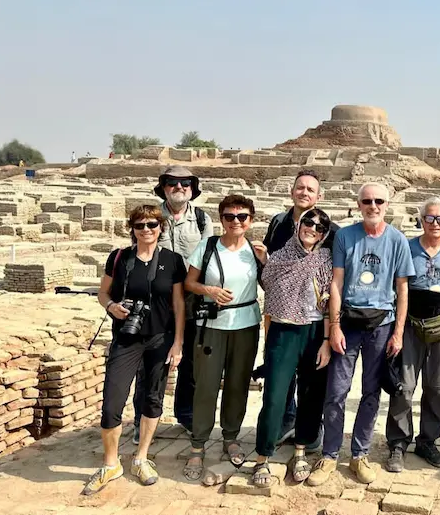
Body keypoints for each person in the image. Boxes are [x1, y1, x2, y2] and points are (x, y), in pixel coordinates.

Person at [308, 182, 414, 486]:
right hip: (350, 323)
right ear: (358, 204)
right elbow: (337, 283)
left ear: (387, 204)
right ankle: (329, 454)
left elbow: (402, 287)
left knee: (371, 393)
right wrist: (334, 326)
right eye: (367, 201)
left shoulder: (397, 240)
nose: (373, 206)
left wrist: (398, 332)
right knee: (336, 392)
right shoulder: (346, 236)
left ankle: (359, 454)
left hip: (381, 325)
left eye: (379, 201)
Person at [84, 205, 186, 494]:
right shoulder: (119, 258)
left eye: (152, 224)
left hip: (160, 338)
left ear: (160, 228)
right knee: (112, 402)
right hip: (126, 338)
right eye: (140, 225)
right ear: (132, 228)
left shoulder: (172, 260)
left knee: (152, 399)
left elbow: (178, 304)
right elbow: (103, 292)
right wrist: (111, 306)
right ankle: (111, 463)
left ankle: (141, 457)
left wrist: (178, 342)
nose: (146, 230)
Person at [182, 195, 265, 480]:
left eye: (242, 217)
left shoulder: (255, 252)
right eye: (229, 217)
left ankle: (230, 436)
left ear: (250, 220)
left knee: (237, 384)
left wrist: (266, 262)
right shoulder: (207, 248)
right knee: (205, 385)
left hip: (246, 324)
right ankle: (198, 444)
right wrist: (211, 291)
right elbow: (189, 283)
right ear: (222, 219)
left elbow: (268, 284)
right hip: (212, 325)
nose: (235, 222)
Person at [251, 209, 334, 487]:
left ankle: (300, 451)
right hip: (284, 331)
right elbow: (269, 293)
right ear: (298, 225)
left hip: (313, 334)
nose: (313, 229)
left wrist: (325, 341)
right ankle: (263, 455)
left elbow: (327, 303)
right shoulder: (279, 259)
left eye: (320, 227)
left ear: (324, 234)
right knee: (275, 396)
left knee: (311, 395)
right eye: (308, 222)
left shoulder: (325, 259)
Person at [260, 170, 338, 447]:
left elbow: (333, 278)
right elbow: (271, 268)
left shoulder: (330, 230)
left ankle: (307, 433)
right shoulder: (279, 223)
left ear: (319, 196)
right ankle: (283, 423)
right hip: (281, 316)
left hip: (315, 319)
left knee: (312, 383)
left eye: (310, 190)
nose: (304, 193)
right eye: (300, 187)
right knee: (278, 384)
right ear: (292, 190)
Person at [384, 197, 440, 472]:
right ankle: (398, 442)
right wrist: (396, 331)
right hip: (410, 324)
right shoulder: (407, 248)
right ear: (421, 220)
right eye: (430, 218)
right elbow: (399, 288)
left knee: (438, 386)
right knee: (403, 386)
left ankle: (428, 440)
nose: (435, 224)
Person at [140, 166, 212, 444]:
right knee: (151, 365)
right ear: (163, 187)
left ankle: (186, 414)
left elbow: (207, 258)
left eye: (185, 183)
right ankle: (142, 420)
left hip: (192, 303)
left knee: (191, 366)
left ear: (193, 188)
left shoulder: (203, 220)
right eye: (172, 182)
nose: (178, 187)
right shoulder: (151, 217)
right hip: (156, 304)